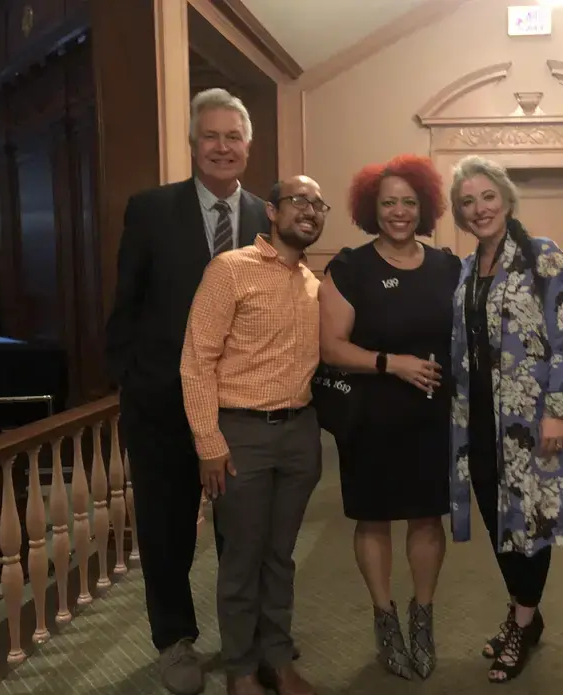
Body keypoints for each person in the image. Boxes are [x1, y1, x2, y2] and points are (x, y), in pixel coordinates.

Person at [105, 88, 271, 695]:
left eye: (233, 137)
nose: (222, 147)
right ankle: (174, 640)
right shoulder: (150, 210)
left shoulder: (265, 218)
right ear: (194, 143)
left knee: (243, 530)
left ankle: (244, 638)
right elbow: (127, 303)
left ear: (247, 147)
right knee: (167, 528)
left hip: (241, 406)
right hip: (162, 403)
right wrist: (131, 380)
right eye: (211, 136)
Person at [447, 155, 563, 684]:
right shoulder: (467, 268)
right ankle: (524, 614)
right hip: (478, 421)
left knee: (531, 525)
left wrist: (558, 412)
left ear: (506, 200)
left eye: (487, 196)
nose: (479, 208)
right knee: (498, 520)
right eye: (467, 202)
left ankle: (523, 622)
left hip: (532, 423)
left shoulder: (543, 257)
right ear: (460, 215)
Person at [180, 175, 327, 695]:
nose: (309, 211)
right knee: (242, 556)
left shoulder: (314, 283)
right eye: (298, 201)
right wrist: (209, 443)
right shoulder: (229, 270)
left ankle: (277, 659)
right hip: (240, 435)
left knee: (280, 555)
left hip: (299, 435)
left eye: (318, 205)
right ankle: (241, 668)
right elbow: (197, 361)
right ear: (272, 210)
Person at [318, 154, 460, 680]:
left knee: (427, 516)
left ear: (423, 206)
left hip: (431, 416)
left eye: (408, 202)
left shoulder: (447, 265)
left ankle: (423, 618)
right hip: (371, 416)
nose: (399, 212)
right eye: (388, 203)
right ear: (369, 209)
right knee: (373, 517)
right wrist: (389, 363)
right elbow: (331, 347)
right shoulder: (350, 267)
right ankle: (386, 619)